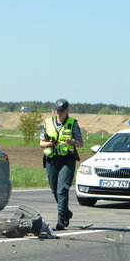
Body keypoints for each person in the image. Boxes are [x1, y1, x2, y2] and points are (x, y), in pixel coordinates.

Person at [39, 99, 83, 230]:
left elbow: (81, 143)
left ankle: (61, 219)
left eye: (61, 111)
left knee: (62, 189)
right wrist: (50, 143)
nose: (59, 113)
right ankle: (66, 212)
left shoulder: (73, 123)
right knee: (54, 190)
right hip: (51, 160)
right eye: (57, 111)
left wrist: (73, 142)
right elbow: (41, 143)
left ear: (67, 111)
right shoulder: (48, 123)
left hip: (67, 159)